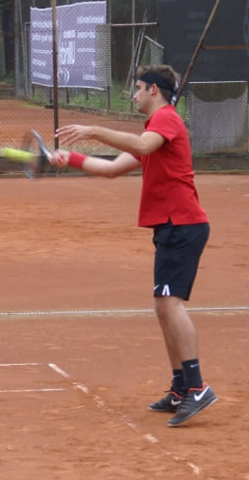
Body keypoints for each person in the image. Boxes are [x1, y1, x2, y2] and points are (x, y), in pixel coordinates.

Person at [51, 63, 218, 427]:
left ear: (154, 91)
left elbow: (141, 145)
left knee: (172, 304)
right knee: (163, 307)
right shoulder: (154, 131)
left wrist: (93, 129)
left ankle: (198, 386)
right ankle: (180, 389)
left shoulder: (167, 122)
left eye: (139, 88)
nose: (134, 94)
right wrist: (73, 159)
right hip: (170, 227)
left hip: (183, 225)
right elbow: (111, 168)